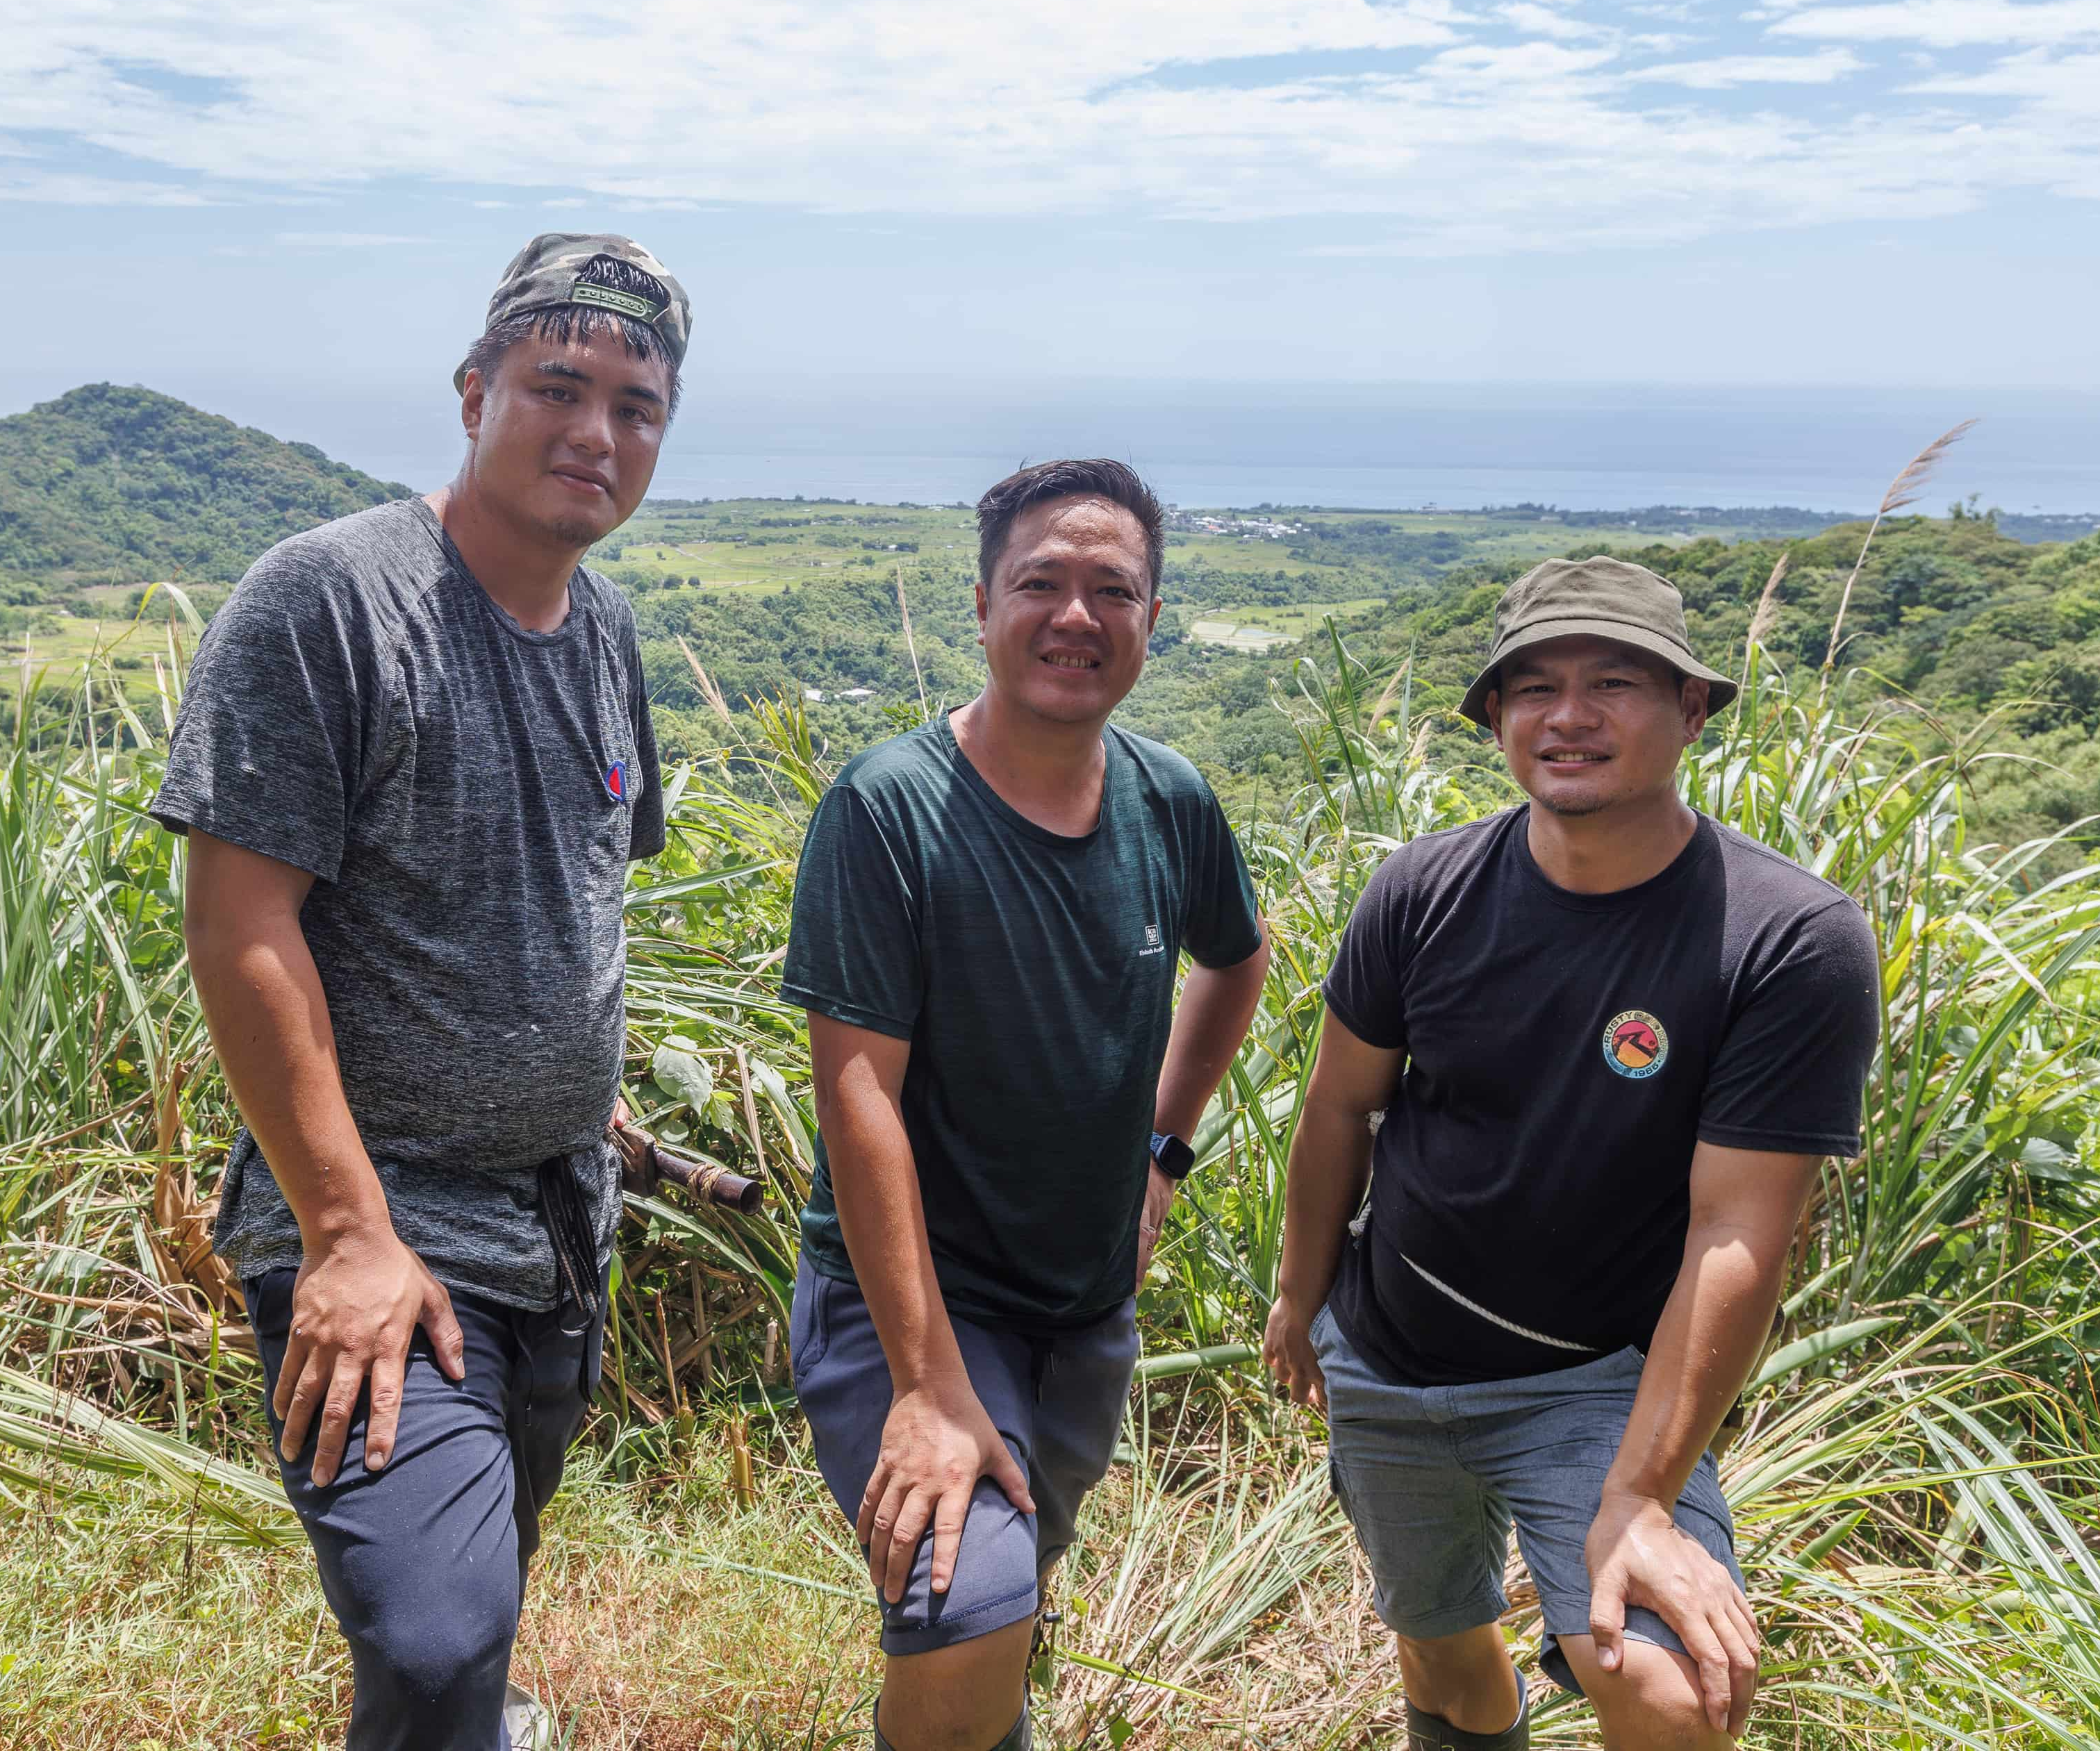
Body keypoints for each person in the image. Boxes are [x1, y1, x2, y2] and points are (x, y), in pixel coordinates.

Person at [153, 233, 691, 1751]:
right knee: (440, 1623)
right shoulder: (330, 601)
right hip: (382, 1218)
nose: (596, 434)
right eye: (558, 388)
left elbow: (576, 899)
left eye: (635, 408)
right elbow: (241, 927)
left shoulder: (604, 632)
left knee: (477, 1599)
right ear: (473, 393)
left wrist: (598, 1112)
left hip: (556, 1217)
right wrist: (345, 1234)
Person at [1262, 556, 1881, 1751]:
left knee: (1673, 1690)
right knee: (1443, 1652)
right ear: (1495, 716)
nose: (1570, 716)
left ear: (1692, 711)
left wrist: (1641, 1497)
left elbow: (1740, 1231)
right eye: (1533, 685)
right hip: (1385, 1359)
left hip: (1596, 1383)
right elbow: (1340, 1109)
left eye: (1616, 681)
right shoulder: (1423, 889)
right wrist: (1300, 1298)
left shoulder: (1786, 938)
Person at [784, 458, 1272, 1751]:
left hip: (1082, 1301)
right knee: (971, 1599)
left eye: (1113, 590)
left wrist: (1164, 1152)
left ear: (1151, 620)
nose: (1077, 617)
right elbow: (858, 1099)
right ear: (983, 602)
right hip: (915, 1295)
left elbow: (1238, 959)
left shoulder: (1168, 799)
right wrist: (927, 1386)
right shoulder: (890, 809)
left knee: (1015, 1583)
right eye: (1041, 584)